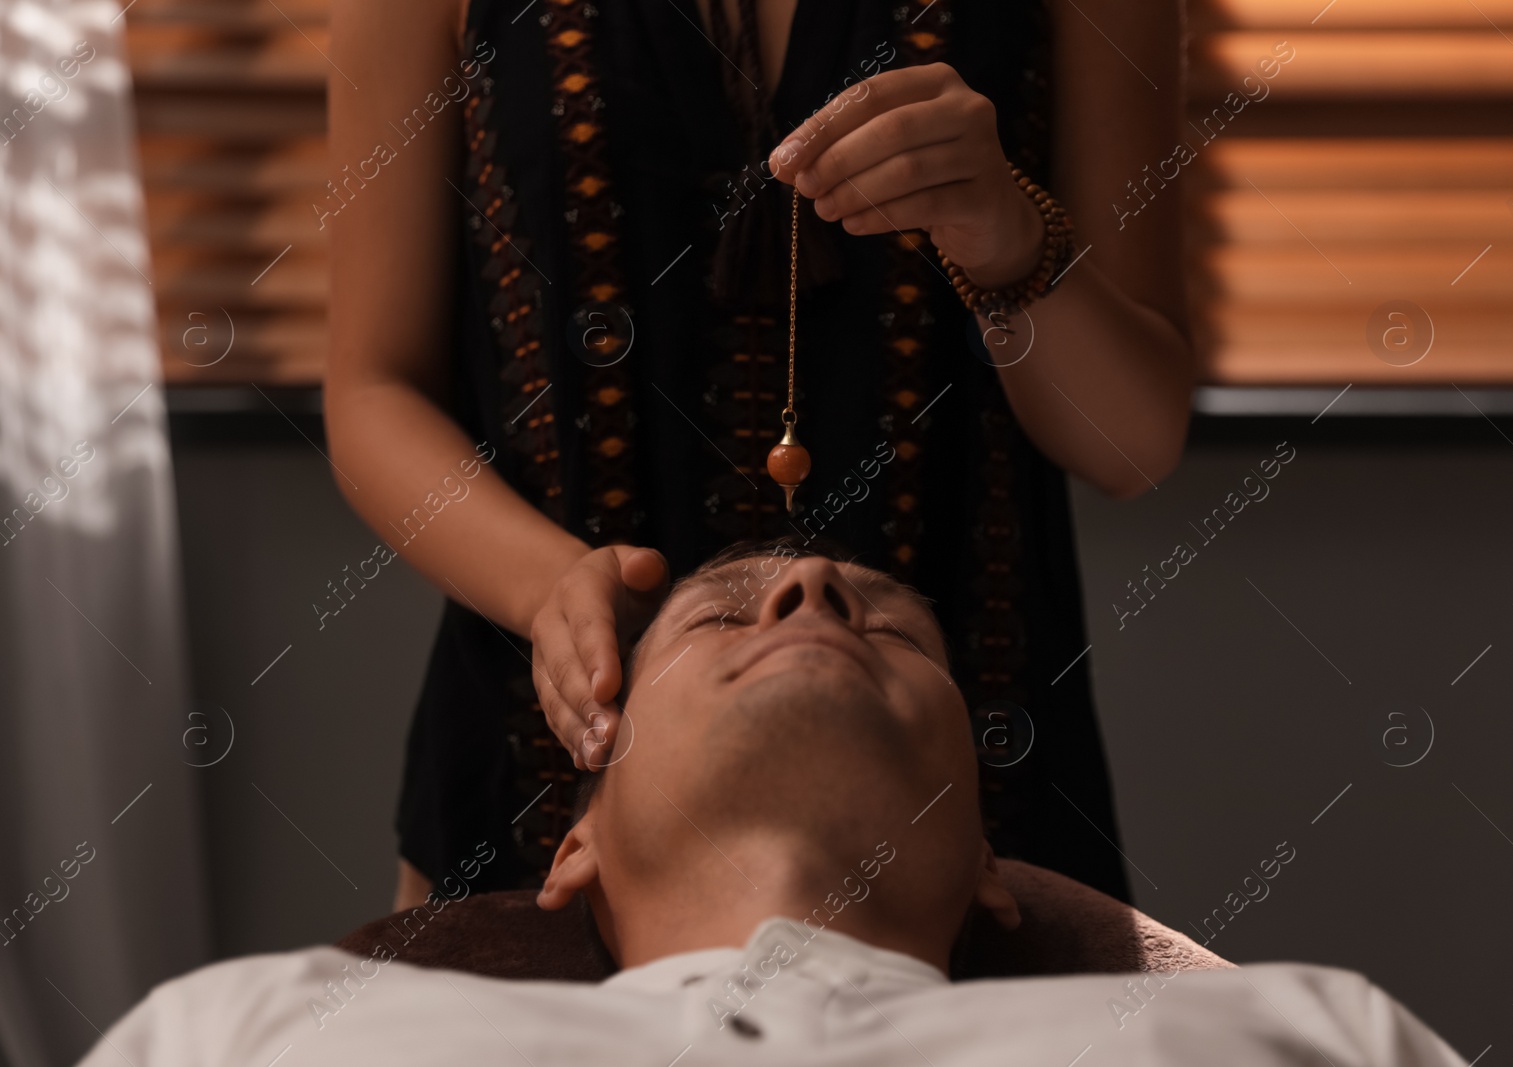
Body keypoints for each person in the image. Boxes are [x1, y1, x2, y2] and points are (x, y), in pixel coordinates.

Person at [324, 0, 1194, 912]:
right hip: (544, 794)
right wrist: (551, 590)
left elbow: (1128, 440)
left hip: (962, 812)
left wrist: (1009, 239)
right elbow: (374, 392)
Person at [76, 545, 1468, 1067]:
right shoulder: (244, 1030)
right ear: (572, 844)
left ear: (993, 862)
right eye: (721, 614)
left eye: (891, 625)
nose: (809, 592)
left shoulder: (1305, 1032)